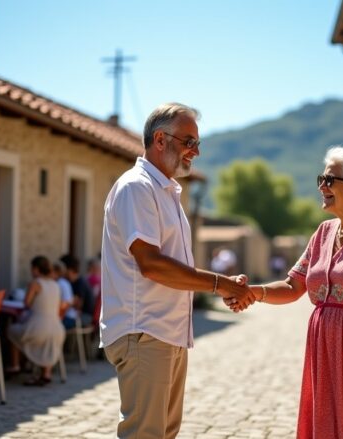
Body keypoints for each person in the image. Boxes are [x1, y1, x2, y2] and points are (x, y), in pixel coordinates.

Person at [227, 146, 343, 438]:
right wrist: (251, 291)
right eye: (321, 178)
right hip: (324, 351)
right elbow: (293, 286)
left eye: (330, 180)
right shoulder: (323, 233)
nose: (321, 186)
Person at [100, 102, 256, 438]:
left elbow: (173, 266)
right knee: (146, 434)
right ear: (160, 139)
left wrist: (226, 285)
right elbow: (152, 264)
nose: (195, 152)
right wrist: (220, 284)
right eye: (189, 142)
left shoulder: (165, 192)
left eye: (198, 144)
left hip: (164, 333)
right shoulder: (136, 187)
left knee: (162, 434)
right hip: (144, 331)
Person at [6, 256, 66, 386]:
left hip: (38, 327)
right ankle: (46, 374)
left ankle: (15, 365)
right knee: (47, 340)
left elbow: (26, 303)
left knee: (12, 330)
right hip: (57, 328)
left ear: (36, 269)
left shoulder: (35, 283)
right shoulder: (56, 285)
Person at [59, 254, 95, 326]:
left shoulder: (80, 283)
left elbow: (78, 305)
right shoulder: (71, 282)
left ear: (69, 269)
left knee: (57, 323)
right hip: (77, 316)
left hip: (84, 317)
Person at [53, 260, 77, 330]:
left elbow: (66, 304)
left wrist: (58, 318)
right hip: (67, 316)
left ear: (56, 272)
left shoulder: (61, 283)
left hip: (68, 318)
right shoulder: (62, 282)